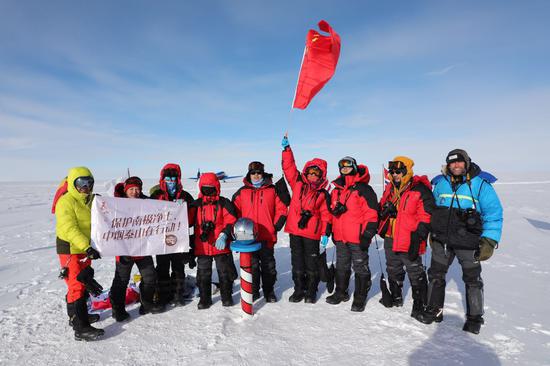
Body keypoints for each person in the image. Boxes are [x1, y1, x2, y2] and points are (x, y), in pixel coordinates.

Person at [417, 149, 503, 334]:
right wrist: (433, 231)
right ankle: (434, 309)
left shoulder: (481, 184)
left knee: (472, 280)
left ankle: (475, 317)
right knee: (436, 275)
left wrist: (489, 240)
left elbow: (493, 214)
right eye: (452, 163)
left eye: (459, 162)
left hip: (469, 241)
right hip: (443, 241)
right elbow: (434, 210)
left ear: (467, 162)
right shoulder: (440, 183)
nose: (456, 166)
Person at [378, 157, 435, 321]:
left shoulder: (420, 189)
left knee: (415, 270)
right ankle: (396, 296)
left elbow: (426, 216)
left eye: (398, 171)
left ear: (406, 171)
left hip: (410, 237)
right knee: (393, 266)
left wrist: (419, 236)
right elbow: (383, 205)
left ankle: (420, 304)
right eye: (392, 172)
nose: (394, 175)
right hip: (391, 235)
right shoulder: (390, 189)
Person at [281, 135, 332, 303]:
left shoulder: (323, 193)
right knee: (297, 262)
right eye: (309, 172)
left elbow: (326, 215)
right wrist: (287, 150)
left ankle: (311, 291)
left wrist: (325, 234)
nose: (311, 175)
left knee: (311, 263)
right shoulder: (298, 183)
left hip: (312, 233)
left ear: (321, 175)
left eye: (315, 173)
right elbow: (289, 168)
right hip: (295, 231)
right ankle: (298, 289)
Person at [55, 166, 104, 341]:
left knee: (82, 283)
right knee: (76, 285)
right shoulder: (66, 202)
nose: (86, 186)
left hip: (84, 248)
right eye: (81, 183)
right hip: (70, 248)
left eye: (89, 183)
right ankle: (81, 328)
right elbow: (69, 229)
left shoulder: (91, 200)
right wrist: (87, 247)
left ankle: (75, 317)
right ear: (73, 183)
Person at [326, 157, 378, 312]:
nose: (345, 169)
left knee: (360, 266)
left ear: (354, 167)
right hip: (341, 237)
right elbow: (332, 211)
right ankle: (341, 292)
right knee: (342, 265)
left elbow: (372, 214)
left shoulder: (364, 189)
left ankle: (360, 298)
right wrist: (332, 230)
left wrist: (367, 234)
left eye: (348, 167)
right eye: (342, 167)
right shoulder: (337, 190)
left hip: (357, 238)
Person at [109, 176, 165, 322]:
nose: (134, 192)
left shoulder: (146, 204)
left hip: (142, 248)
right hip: (124, 250)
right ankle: (118, 310)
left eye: (137, 189)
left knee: (150, 277)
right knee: (121, 280)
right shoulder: (115, 205)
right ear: (126, 190)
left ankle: (146, 304)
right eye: (131, 189)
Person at [232, 161, 288, 302]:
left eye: (258, 173)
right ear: (249, 174)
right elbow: (234, 212)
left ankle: (269, 292)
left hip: (267, 236)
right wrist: (238, 230)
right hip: (248, 237)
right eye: (253, 173)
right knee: (252, 266)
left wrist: (274, 227)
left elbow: (281, 209)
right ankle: (254, 290)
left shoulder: (272, 190)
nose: (256, 176)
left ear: (263, 174)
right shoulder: (242, 192)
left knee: (268, 266)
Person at [150, 164, 195, 306]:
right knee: (162, 267)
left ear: (178, 179)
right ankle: (164, 295)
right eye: (168, 179)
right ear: (163, 179)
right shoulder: (156, 196)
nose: (171, 182)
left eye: (173, 179)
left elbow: (193, 217)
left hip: (179, 239)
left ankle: (177, 294)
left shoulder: (185, 196)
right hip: (161, 240)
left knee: (178, 267)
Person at [191, 173, 238, 309]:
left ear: (217, 187)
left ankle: (227, 297)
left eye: (211, 188)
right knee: (203, 273)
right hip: (202, 246)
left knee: (224, 272)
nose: (208, 191)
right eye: (205, 188)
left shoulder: (224, 203)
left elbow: (231, 220)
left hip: (220, 245)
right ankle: (205, 299)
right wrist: (180, 208)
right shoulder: (196, 205)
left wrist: (224, 234)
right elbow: (186, 219)